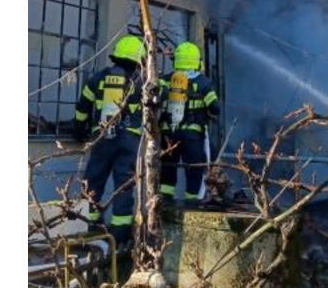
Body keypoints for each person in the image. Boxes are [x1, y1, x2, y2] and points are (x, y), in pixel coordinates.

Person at [73, 34, 147, 249]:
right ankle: (120, 232)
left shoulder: (98, 78)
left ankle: (90, 224)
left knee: (94, 179)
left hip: (102, 138)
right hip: (130, 141)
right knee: (124, 184)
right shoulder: (141, 82)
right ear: (139, 59)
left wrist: (79, 131)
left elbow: (82, 107)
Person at [158, 41, 220, 203]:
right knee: (194, 169)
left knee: (168, 168)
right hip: (192, 135)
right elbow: (215, 107)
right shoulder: (204, 83)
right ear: (196, 61)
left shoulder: (165, 80)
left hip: (168, 133)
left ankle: (165, 202)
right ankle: (191, 203)